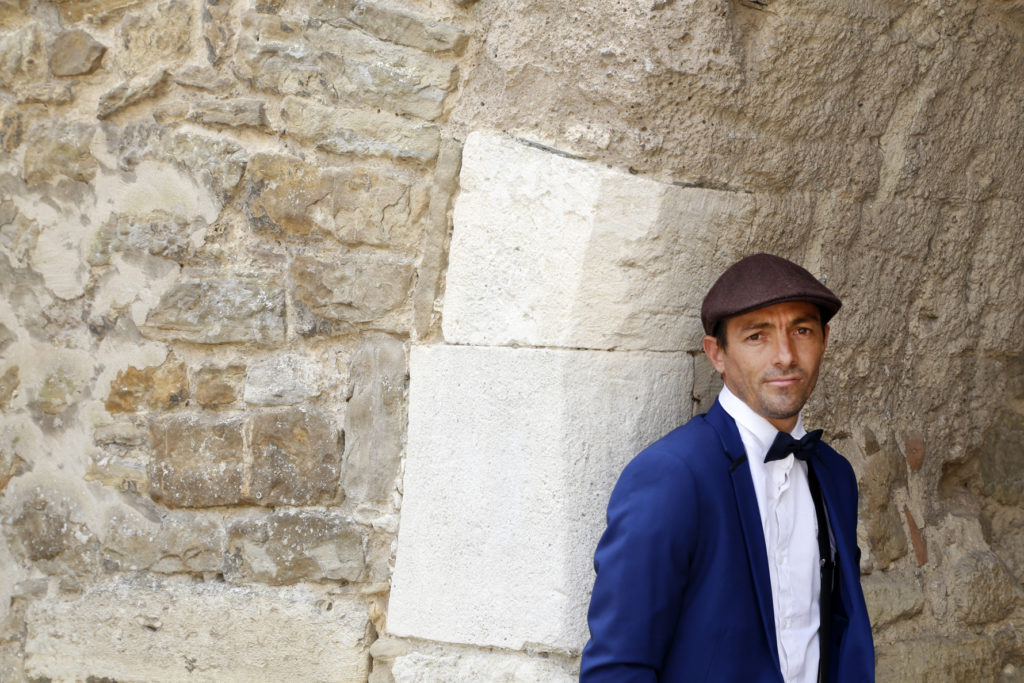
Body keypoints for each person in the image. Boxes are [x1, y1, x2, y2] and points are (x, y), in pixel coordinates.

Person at [580, 253, 874, 682]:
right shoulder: (672, 476)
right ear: (716, 353)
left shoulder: (835, 475)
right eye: (757, 336)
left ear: (825, 339)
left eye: (802, 330)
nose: (785, 356)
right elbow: (617, 666)